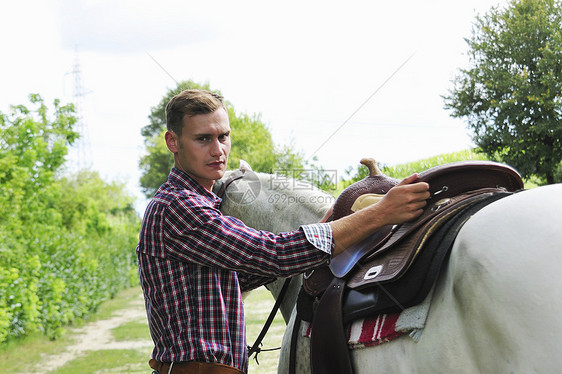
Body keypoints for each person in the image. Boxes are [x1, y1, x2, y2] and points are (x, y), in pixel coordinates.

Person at [137, 89, 430, 374]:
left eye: (223, 136)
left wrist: (329, 227)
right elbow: (272, 254)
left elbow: (243, 274)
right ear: (173, 142)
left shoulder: (201, 204)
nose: (218, 150)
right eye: (203, 139)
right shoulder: (178, 207)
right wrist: (381, 214)